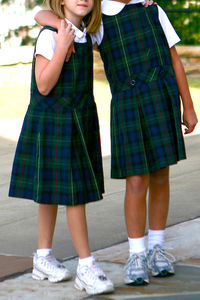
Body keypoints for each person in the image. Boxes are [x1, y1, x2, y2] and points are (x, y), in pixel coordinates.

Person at [34, 0, 198, 286]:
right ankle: (137, 253)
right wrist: (60, 28)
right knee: (136, 181)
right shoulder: (97, 17)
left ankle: (157, 248)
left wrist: (189, 105)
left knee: (161, 175)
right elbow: (42, 13)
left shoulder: (152, 8)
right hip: (126, 105)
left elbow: (174, 59)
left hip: (161, 99)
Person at [9, 0, 114, 296]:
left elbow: (116, 9)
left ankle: (43, 257)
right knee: (73, 193)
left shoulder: (87, 33)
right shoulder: (49, 35)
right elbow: (43, 85)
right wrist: (61, 35)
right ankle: (86, 265)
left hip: (78, 119)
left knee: (51, 192)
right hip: (54, 120)